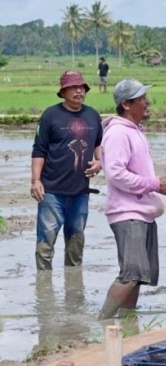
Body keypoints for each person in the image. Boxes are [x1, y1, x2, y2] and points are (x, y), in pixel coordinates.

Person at [98, 79, 166, 319]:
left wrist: (159, 184)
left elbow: (134, 173)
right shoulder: (117, 133)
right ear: (126, 104)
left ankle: (127, 325)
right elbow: (116, 174)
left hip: (141, 211)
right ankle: (101, 323)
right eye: (141, 97)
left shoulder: (134, 131)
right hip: (128, 213)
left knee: (137, 277)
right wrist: (155, 184)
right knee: (131, 274)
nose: (147, 101)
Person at [30, 70, 102, 271]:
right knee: (46, 241)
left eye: (82, 87)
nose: (79, 91)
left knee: (76, 242)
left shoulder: (93, 115)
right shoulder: (50, 115)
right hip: (51, 191)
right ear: (63, 92)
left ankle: (73, 285)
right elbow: (39, 150)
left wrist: (100, 162)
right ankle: (43, 286)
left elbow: (98, 144)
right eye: (73, 87)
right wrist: (36, 180)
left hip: (80, 192)